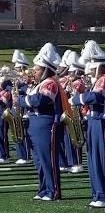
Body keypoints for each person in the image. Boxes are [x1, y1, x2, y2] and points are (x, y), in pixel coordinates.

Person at [70, 46, 105, 208]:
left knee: (99, 159)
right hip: (93, 121)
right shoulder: (98, 80)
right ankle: (97, 194)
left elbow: (97, 97)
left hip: (101, 122)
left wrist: (77, 99)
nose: (89, 69)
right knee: (92, 159)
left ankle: (103, 195)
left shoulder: (104, 79)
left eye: (92, 65)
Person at [17, 43, 64, 201]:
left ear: (45, 70)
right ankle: (43, 189)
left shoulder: (50, 82)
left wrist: (23, 100)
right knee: (38, 160)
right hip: (34, 123)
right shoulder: (39, 84)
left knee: (47, 158)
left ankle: (53, 191)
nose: (34, 72)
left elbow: (40, 100)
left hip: (46, 123)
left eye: (37, 69)